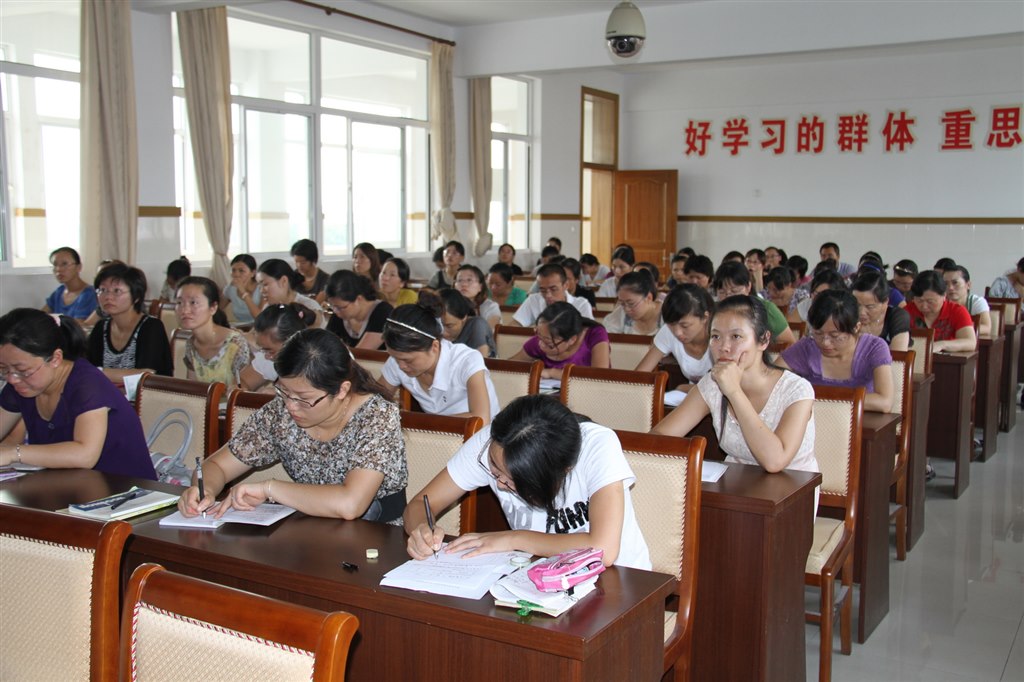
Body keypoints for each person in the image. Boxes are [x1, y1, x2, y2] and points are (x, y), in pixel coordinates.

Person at [178, 328, 408, 524]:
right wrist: (205, 490)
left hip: (374, 537)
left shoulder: (376, 416)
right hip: (308, 529)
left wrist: (269, 489)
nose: (291, 406)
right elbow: (217, 465)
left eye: (303, 398)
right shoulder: (280, 413)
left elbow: (350, 504)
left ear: (341, 390)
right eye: (284, 391)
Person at [404, 394, 651, 569]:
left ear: (561, 472)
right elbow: (420, 504)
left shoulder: (597, 446)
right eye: (494, 468)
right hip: (535, 575)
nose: (498, 484)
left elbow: (603, 550)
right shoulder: (495, 443)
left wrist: (513, 539)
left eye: (512, 482)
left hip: (617, 583)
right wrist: (421, 530)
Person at [652, 295, 818, 476]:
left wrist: (733, 391)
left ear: (763, 340)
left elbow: (775, 461)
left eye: (736, 336)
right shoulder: (713, 383)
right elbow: (660, 436)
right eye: (716, 336)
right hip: (735, 483)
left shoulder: (796, 389)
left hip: (793, 486)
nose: (723, 347)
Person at [0, 309, 156, 479]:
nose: (12, 378)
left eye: (23, 370)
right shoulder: (21, 384)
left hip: (125, 488)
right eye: (4, 369)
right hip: (65, 484)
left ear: (55, 358)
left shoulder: (87, 384)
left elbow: (85, 455)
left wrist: (14, 453)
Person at [379, 304, 500, 425]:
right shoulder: (398, 361)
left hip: (483, 434)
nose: (401, 366)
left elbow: (480, 419)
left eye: (408, 360)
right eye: (395, 358)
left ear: (434, 346)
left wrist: (419, 423)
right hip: (431, 434)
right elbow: (375, 403)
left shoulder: (466, 361)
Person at [777, 290, 894, 413]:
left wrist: (820, 397)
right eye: (818, 333)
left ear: (856, 327)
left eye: (835, 336)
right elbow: (770, 380)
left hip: (862, 422)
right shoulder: (807, 347)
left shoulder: (874, 348)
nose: (825, 342)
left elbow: (884, 402)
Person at [87, 263, 173, 380]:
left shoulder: (151, 327)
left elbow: (146, 374)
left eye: (117, 291)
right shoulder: (101, 327)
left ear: (136, 296)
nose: (108, 297)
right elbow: (88, 367)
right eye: (103, 290)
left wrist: (98, 372)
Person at [176, 276, 252, 389]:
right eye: (179, 302)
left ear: (213, 308)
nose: (185, 310)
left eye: (193, 302)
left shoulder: (235, 343)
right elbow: (192, 390)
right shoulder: (191, 344)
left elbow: (242, 389)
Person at [635, 283, 714, 390]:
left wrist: (683, 388)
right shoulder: (668, 332)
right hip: (690, 396)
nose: (677, 332)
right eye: (671, 325)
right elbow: (639, 376)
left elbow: (726, 387)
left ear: (705, 317)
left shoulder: (722, 335)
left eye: (684, 325)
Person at [510, 302, 610, 378]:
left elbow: (600, 376)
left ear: (571, 339)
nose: (540, 344)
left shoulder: (595, 334)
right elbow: (509, 366)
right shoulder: (542, 339)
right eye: (538, 335)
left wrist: (553, 373)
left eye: (549, 344)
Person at [239, 303, 318, 392]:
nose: (266, 356)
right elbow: (243, 381)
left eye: (270, 351)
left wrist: (279, 395)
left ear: (290, 343)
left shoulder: (316, 363)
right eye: (263, 349)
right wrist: (239, 389)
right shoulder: (269, 357)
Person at [712, 262, 795, 345]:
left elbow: (790, 343)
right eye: (722, 292)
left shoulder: (766, 309)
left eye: (734, 291)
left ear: (748, 287)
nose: (728, 297)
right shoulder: (713, 311)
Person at [905, 271, 977, 352]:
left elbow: (970, 342)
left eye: (930, 301)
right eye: (919, 301)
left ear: (944, 296)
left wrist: (942, 344)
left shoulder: (957, 311)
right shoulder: (906, 312)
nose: (924, 306)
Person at [325, 270, 392, 350]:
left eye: (340, 307)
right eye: (332, 306)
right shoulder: (339, 315)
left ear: (359, 299)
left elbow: (361, 352)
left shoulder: (382, 313)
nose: (336, 311)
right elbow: (325, 346)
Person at [512, 263, 594, 327]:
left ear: (566, 285)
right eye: (543, 290)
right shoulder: (533, 300)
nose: (548, 295)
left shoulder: (581, 305)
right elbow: (515, 324)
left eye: (553, 289)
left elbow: (588, 334)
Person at [851, 270, 910, 351]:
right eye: (857, 305)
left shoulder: (897, 317)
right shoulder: (847, 316)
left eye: (870, 307)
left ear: (885, 302)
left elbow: (898, 354)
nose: (861, 312)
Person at [427, 289, 495, 358]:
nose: (443, 332)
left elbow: (482, 360)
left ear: (464, 317)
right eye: (438, 325)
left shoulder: (478, 325)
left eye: (449, 326)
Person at [256, 259, 324, 327]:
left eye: (265, 284)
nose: (261, 290)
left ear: (283, 281)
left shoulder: (310, 307)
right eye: (259, 286)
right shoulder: (268, 308)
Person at [42, 247, 97, 322]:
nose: (58, 269)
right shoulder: (59, 292)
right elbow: (40, 316)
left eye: (64, 264)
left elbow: (78, 325)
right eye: (55, 265)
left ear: (79, 267)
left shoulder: (89, 294)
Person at [602, 271, 663, 335]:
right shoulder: (621, 313)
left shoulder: (666, 316)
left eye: (631, 304)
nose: (626, 309)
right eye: (622, 304)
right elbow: (606, 333)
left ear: (648, 298)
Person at [943, 264, 991, 337]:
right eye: (946, 284)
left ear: (968, 285)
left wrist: (959, 328)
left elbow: (986, 328)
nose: (950, 288)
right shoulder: (941, 303)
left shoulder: (976, 302)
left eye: (955, 283)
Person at [455, 265, 501, 329]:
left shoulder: (490, 307)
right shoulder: (447, 305)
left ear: (480, 287)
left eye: (469, 280)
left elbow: (488, 331)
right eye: (460, 280)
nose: (464, 284)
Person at [223, 254, 262, 324]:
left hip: (261, 327)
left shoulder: (262, 289)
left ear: (253, 273)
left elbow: (260, 318)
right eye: (233, 270)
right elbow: (217, 309)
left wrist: (243, 292)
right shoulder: (230, 289)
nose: (236, 274)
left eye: (241, 271)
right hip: (240, 327)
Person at [290, 238, 329, 303]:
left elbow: (318, 304)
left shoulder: (325, 279)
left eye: (303, 262)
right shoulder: (292, 277)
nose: (299, 265)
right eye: (296, 261)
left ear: (313, 260)